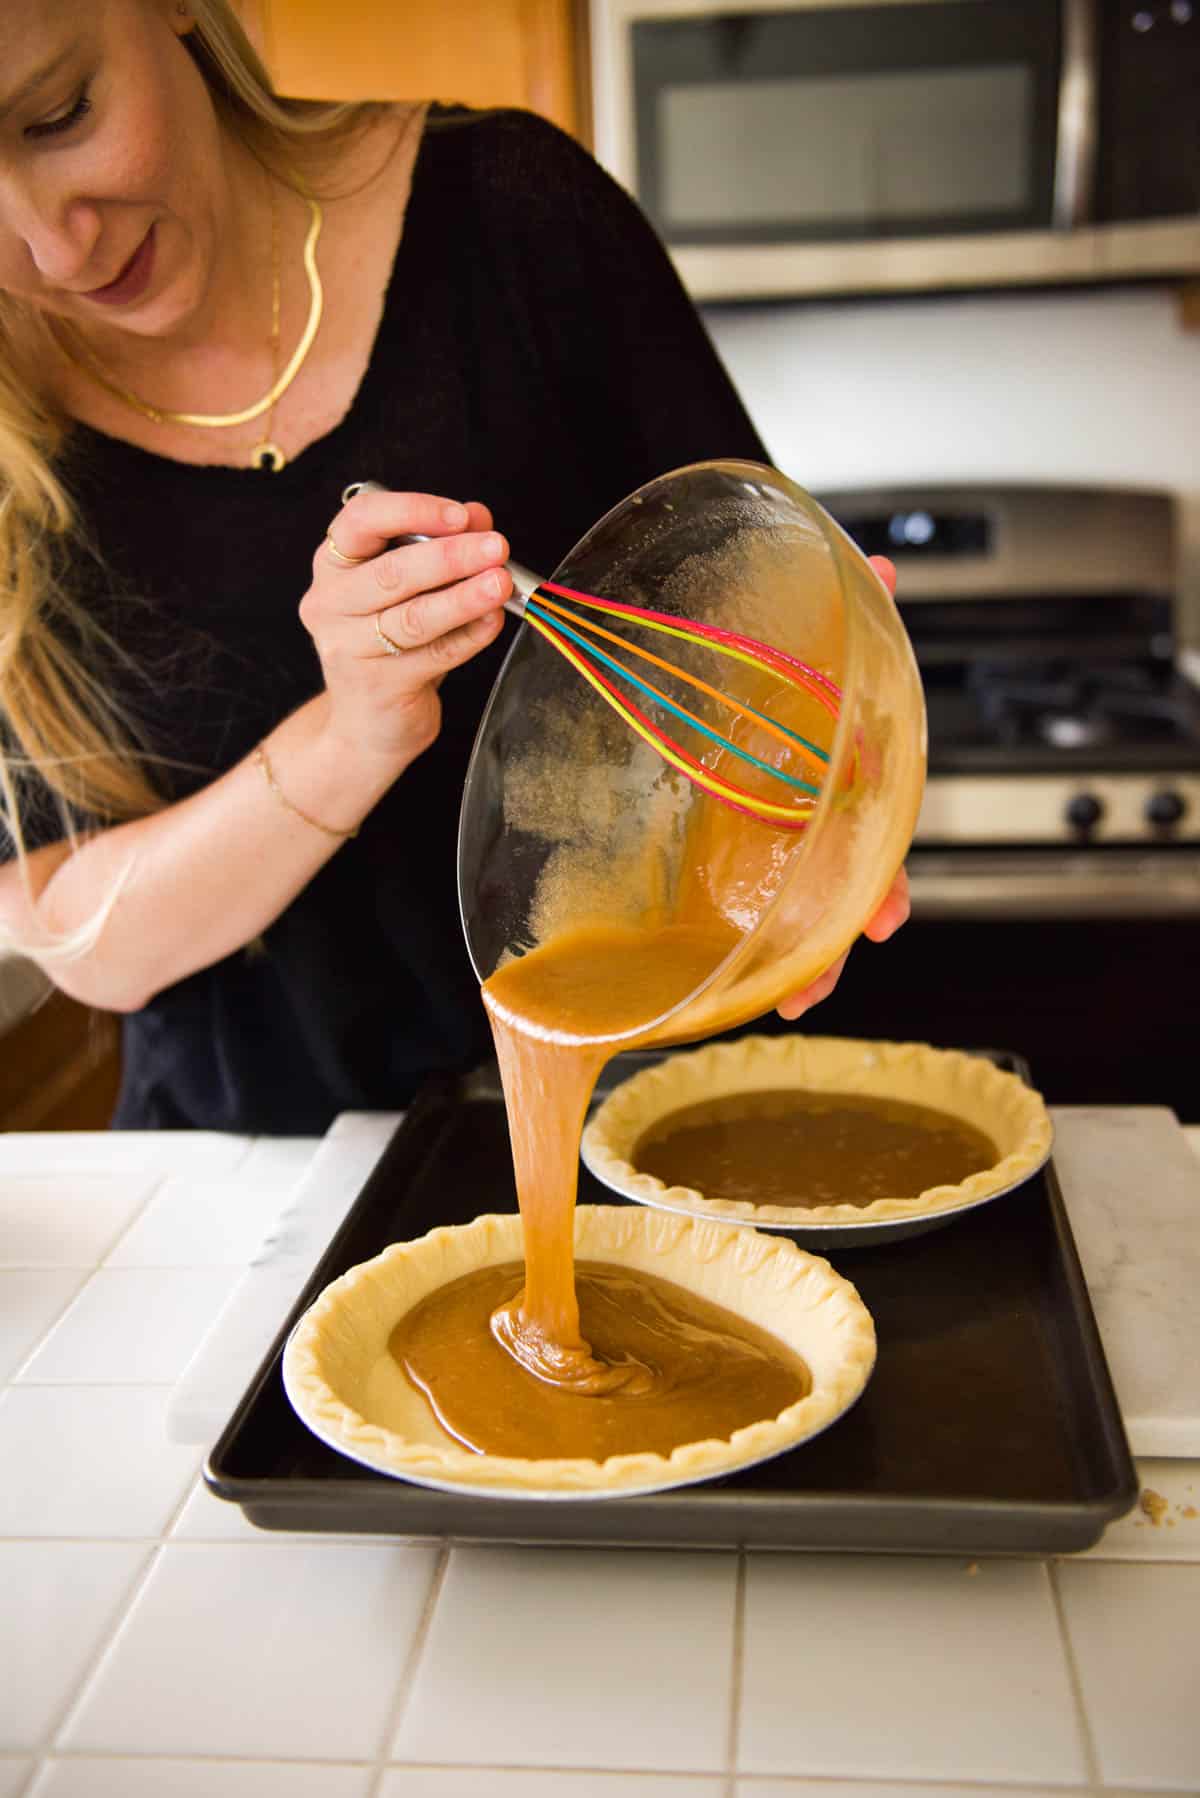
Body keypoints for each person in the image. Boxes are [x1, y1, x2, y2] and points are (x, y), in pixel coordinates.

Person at [0, 0, 909, 1133]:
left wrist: (826, 771)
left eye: (59, 113)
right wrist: (348, 738)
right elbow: (76, 938)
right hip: (251, 1186)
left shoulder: (516, 214)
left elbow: (767, 637)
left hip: (651, 1117)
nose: (53, 244)